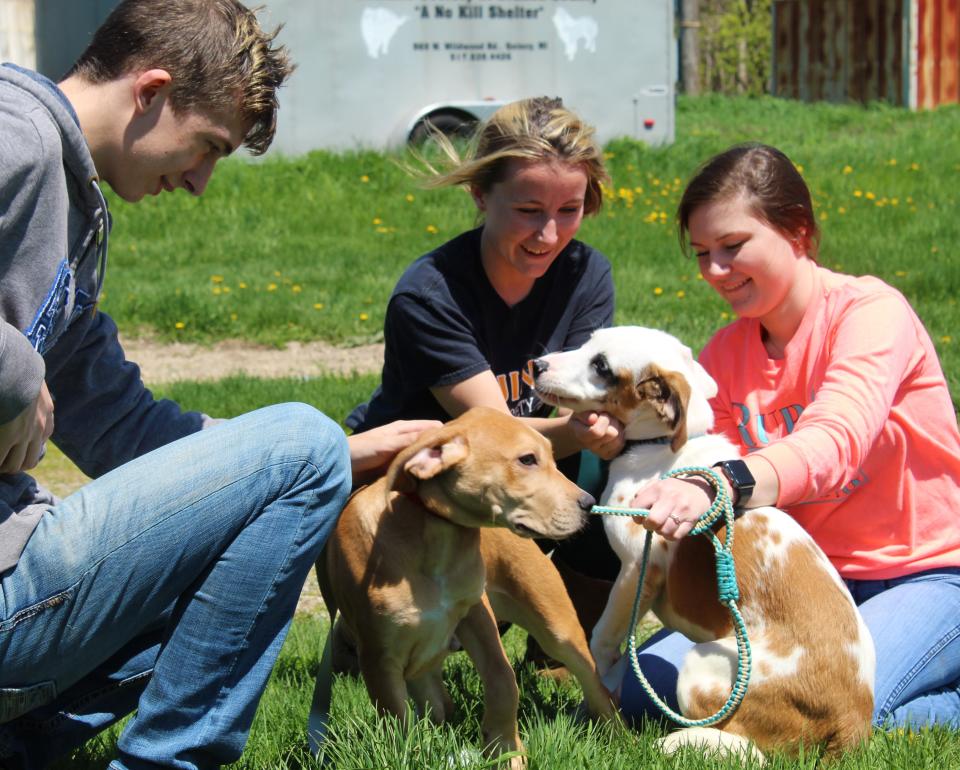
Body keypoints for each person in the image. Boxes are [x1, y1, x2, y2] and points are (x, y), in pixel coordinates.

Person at [0, 2, 434, 769]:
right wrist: (16, 372)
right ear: (152, 90)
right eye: (207, 146)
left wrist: (341, 453)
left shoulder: (73, 214)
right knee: (298, 445)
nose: (199, 182)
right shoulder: (17, 132)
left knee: (255, 528)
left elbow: (122, 427)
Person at [617, 142, 960, 731]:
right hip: (802, 581)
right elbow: (691, 452)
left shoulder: (871, 312)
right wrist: (622, 435)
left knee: (825, 707)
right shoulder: (724, 353)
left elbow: (834, 440)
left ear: (798, 232)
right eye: (702, 253)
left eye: (733, 246)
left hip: (924, 572)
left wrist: (723, 482)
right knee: (643, 692)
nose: (715, 271)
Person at [346, 96, 626, 617]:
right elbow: (495, 438)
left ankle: (568, 639)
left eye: (571, 210)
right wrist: (581, 430)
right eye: (527, 211)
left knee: (615, 467)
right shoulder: (430, 296)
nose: (549, 235)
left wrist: (596, 432)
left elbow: (573, 409)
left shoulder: (587, 275)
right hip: (419, 485)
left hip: (516, 468)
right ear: (480, 194)